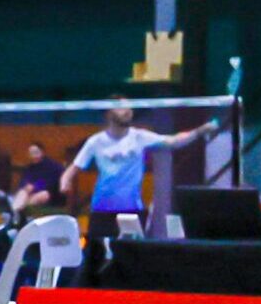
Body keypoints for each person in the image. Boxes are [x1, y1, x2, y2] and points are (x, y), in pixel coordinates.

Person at [59, 100, 219, 244]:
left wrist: (199, 131)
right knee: (95, 256)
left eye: (130, 108)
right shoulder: (96, 141)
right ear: (109, 113)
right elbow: (75, 167)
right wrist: (65, 179)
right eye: (122, 108)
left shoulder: (139, 137)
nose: (128, 111)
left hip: (131, 210)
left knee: (132, 256)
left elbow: (173, 141)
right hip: (102, 209)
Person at [12, 141, 64, 213]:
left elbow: (50, 182)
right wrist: (26, 186)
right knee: (22, 192)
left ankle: (21, 211)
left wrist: (35, 187)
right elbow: (23, 180)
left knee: (42, 195)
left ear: (42, 153)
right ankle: (14, 211)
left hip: (50, 194)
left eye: (36, 152)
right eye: (31, 153)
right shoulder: (29, 168)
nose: (34, 155)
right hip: (30, 193)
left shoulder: (52, 166)